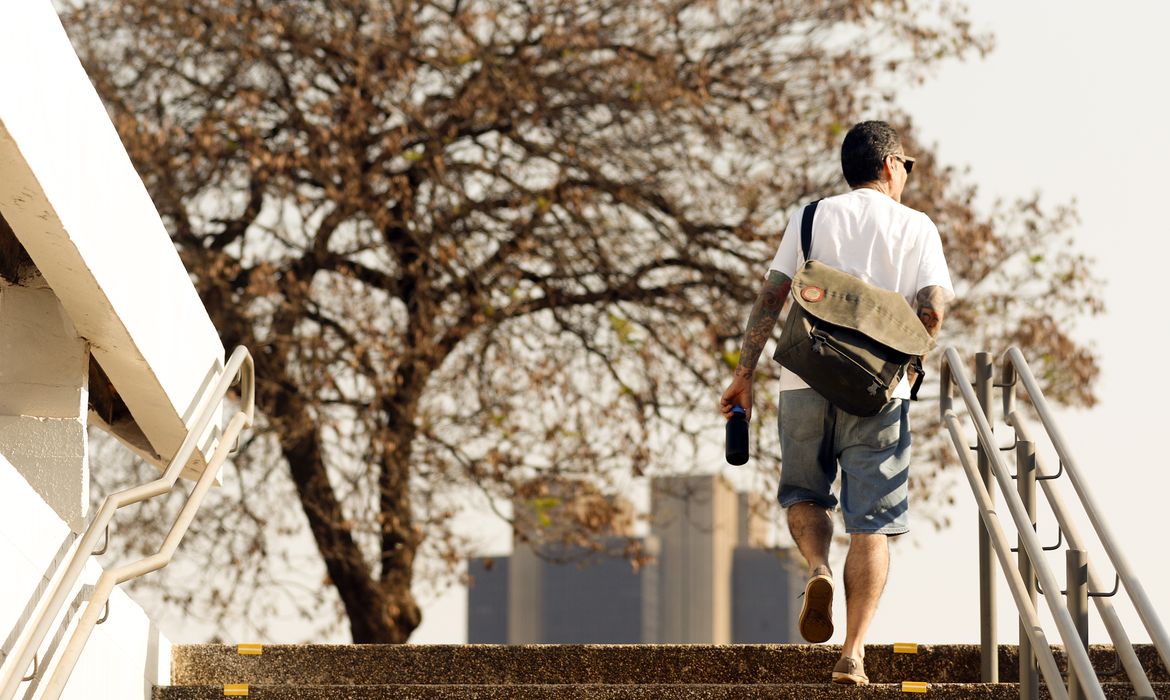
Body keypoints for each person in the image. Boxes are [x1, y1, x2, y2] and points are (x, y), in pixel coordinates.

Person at [719, 121, 953, 686]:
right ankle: (853, 653)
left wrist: (743, 373)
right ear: (892, 164)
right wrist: (908, 360)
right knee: (871, 525)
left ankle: (818, 569)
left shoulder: (810, 216)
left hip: (803, 380)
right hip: (879, 393)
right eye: (908, 168)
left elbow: (773, 294)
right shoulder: (917, 228)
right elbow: (935, 306)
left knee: (804, 494)